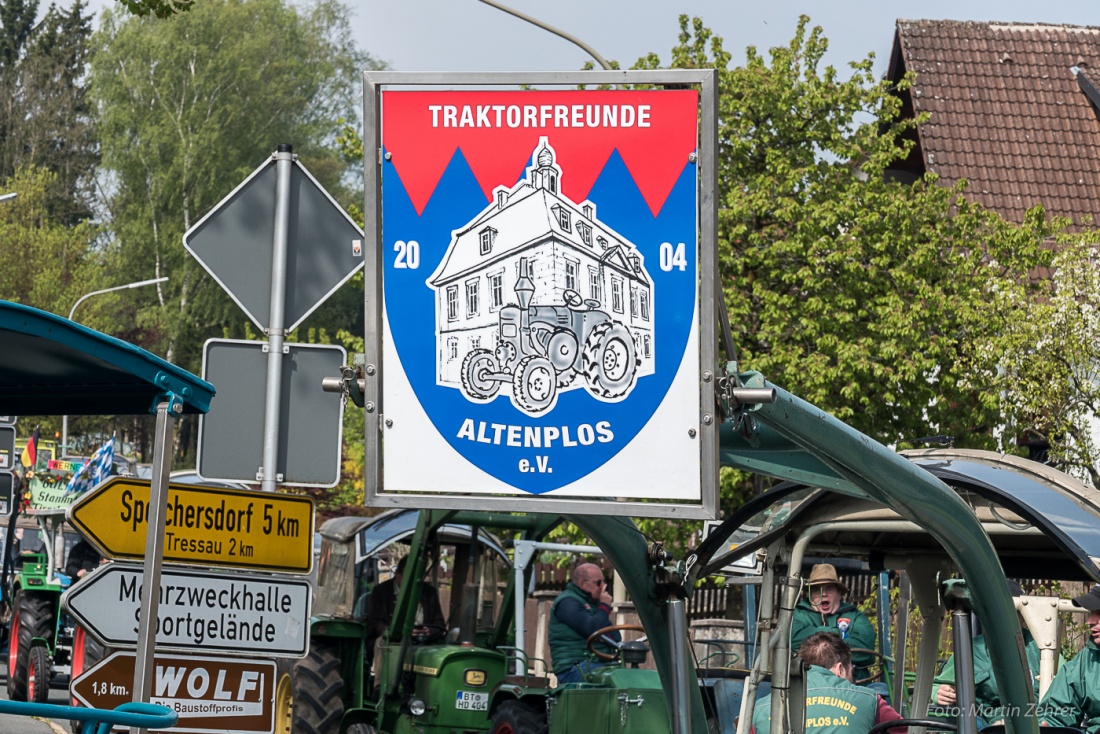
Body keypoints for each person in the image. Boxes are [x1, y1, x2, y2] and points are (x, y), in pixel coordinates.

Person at [932, 580, 1047, 722]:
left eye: (1010, 614)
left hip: (1039, 721)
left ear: (1023, 617)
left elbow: (1064, 687)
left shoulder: (1041, 647)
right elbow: (938, 686)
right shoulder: (972, 650)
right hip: (991, 725)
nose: (1002, 621)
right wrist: (940, 691)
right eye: (996, 615)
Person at [752, 632, 907, 734]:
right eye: (851, 671)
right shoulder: (869, 700)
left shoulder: (761, 707)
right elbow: (904, 730)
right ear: (840, 668)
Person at [790, 564, 878, 681]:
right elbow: (793, 639)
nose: (823, 594)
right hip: (808, 687)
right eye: (817, 590)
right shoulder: (798, 615)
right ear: (809, 594)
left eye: (829, 588)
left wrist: (818, 650)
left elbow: (866, 650)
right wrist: (838, 634)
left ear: (839, 592)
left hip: (855, 686)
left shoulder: (856, 616)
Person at [1038, 584, 1100, 732]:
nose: (1089, 621)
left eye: (1099, 613)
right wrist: (1048, 726)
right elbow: (1058, 711)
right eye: (1091, 613)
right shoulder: (1084, 662)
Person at [549, 562, 621, 684]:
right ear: (583, 583)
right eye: (598, 583)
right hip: (575, 667)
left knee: (633, 678)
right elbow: (592, 629)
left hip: (597, 663)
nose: (603, 586)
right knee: (616, 680)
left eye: (603, 582)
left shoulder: (592, 605)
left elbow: (615, 636)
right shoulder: (568, 602)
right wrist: (604, 606)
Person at [363, 554, 446, 652]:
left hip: (423, 644)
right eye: (409, 578)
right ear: (398, 574)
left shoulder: (429, 592)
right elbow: (376, 623)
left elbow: (439, 624)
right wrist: (399, 632)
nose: (413, 583)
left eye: (418, 578)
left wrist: (428, 631)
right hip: (391, 644)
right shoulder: (381, 591)